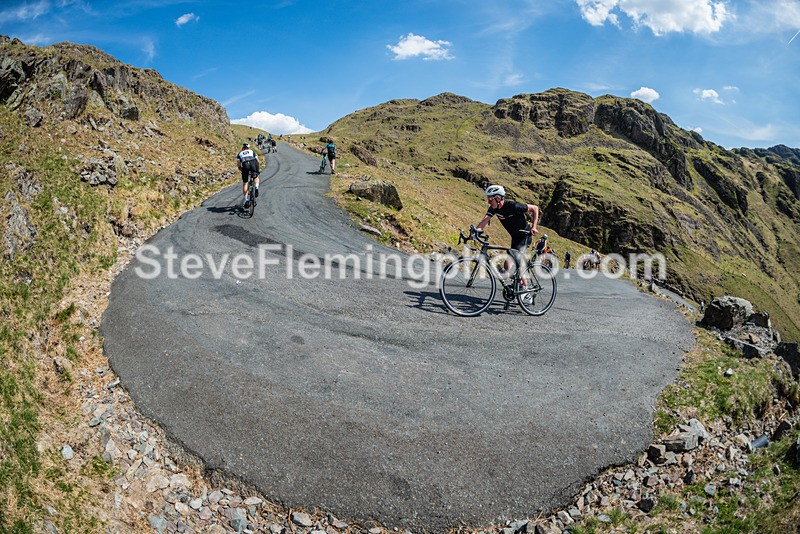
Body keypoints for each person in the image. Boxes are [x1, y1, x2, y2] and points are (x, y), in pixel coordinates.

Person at [476, 185, 540, 301]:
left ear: (499, 198)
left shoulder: (513, 206)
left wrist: (534, 227)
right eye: (488, 198)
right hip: (515, 238)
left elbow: (535, 208)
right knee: (507, 265)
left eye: (490, 198)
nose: (488, 201)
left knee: (518, 263)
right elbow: (484, 221)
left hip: (524, 236)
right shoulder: (493, 208)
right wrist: (474, 233)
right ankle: (518, 286)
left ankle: (526, 292)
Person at [236, 142, 260, 207]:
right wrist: (257, 168)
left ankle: (246, 199)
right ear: (248, 148)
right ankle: (256, 187)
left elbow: (238, 164)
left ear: (242, 148)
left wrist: (241, 169)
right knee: (256, 177)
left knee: (245, 183)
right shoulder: (252, 151)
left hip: (245, 165)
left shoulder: (240, 153)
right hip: (253, 164)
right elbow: (257, 160)